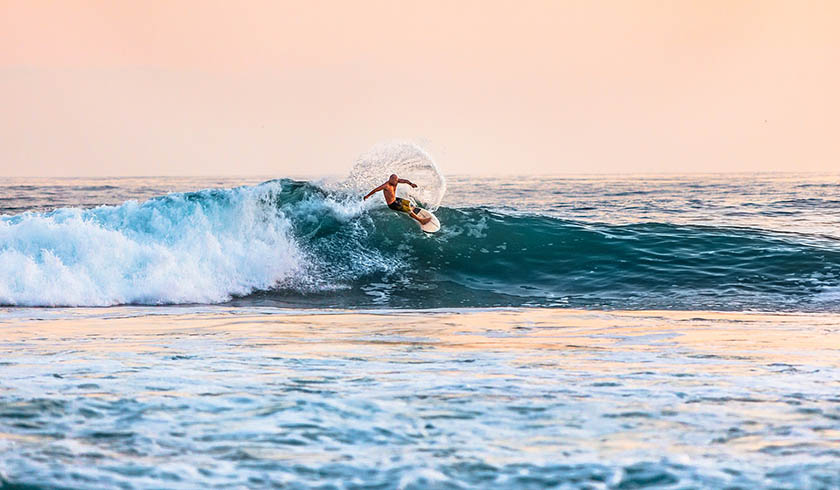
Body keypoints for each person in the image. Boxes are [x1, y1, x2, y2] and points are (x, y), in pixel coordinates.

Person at [363, 174, 431, 225]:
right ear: (390, 180)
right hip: (392, 204)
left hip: (396, 199)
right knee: (408, 210)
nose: (397, 182)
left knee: (408, 202)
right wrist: (367, 196)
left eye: (397, 180)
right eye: (395, 181)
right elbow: (375, 190)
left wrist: (411, 184)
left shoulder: (396, 181)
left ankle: (413, 211)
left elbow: (404, 181)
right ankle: (421, 221)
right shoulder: (386, 185)